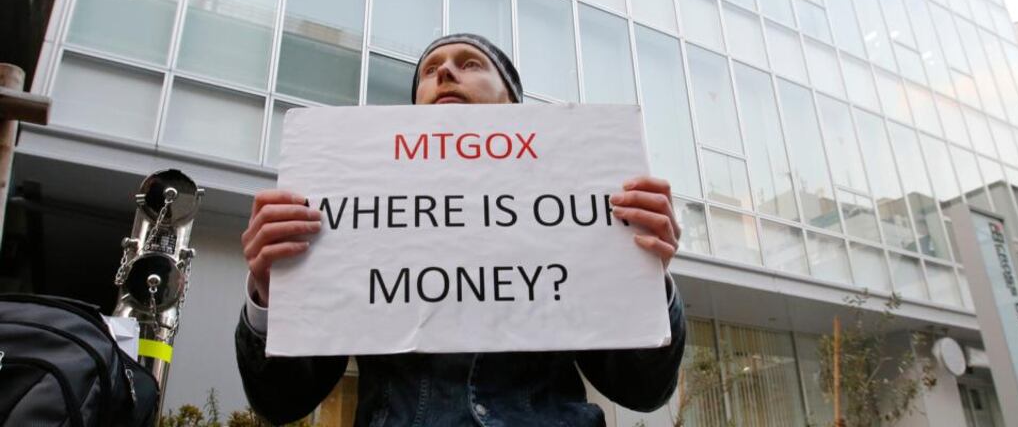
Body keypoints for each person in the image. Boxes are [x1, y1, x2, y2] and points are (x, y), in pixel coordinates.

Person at [235, 33, 686, 426]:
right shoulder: (353, 211)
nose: (445, 72)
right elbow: (280, 401)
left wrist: (646, 274)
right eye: (430, 70)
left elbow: (643, 389)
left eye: (469, 63)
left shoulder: (582, 203)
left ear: (512, 102)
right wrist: (271, 293)